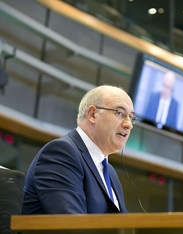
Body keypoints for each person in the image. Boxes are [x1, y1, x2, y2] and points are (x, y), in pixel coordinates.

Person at [22, 85, 135, 214]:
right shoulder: (61, 153)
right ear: (93, 114)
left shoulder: (110, 172)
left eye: (131, 117)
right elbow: (71, 225)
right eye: (120, 113)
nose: (129, 125)